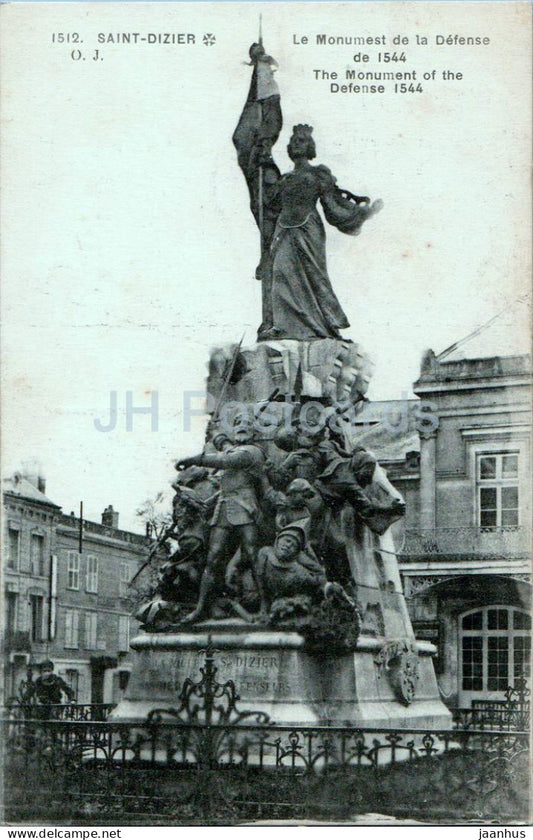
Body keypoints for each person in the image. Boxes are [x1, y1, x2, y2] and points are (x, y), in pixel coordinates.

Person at [259, 124, 382, 341]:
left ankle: (323, 326)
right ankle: (283, 326)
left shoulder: (318, 174)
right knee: (280, 274)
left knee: (314, 276)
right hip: (283, 230)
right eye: (294, 141)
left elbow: (332, 205)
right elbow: (269, 206)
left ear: (310, 147)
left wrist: (361, 213)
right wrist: (263, 163)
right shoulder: (284, 179)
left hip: (308, 229)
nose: (297, 144)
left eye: (302, 141)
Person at [175, 418, 266, 622]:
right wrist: (215, 431)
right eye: (238, 425)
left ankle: (265, 607)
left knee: (252, 556)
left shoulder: (252, 452)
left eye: (246, 426)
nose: (242, 428)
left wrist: (192, 459)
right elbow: (225, 448)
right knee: (212, 557)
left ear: (254, 433)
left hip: (245, 507)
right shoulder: (234, 449)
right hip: (224, 507)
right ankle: (200, 608)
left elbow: (224, 460)